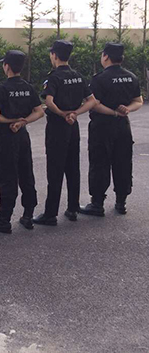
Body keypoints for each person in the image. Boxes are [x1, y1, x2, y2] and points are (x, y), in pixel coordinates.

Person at [33, 40, 98, 226]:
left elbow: (49, 101)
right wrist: (75, 113)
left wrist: (62, 114)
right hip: (73, 126)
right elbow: (92, 101)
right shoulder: (78, 76)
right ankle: (73, 208)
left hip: (57, 127)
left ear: (54, 55)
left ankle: (50, 213)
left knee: (55, 169)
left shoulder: (53, 78)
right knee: (72, 167)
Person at [80, 43, 143, 216]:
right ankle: (121, 202)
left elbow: (94, 104)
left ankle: (97, 203)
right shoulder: (131, 77)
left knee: (99, 163)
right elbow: (138, 101)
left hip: (102, 127)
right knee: (123, 162)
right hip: (123, 127)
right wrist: (126, 109)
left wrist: (114, 112)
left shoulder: (99, 79)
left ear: (106, 56)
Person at [0, 50, 44, 234]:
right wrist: (22, 122)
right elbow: (39, 111)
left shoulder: (1, 89)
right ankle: (28, 215)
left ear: (7, 66)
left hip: (6, 136)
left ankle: (4, 219)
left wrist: (12, 122)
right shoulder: (28, 87)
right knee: (26, 173)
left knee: (7, 176)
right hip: (22, 136)